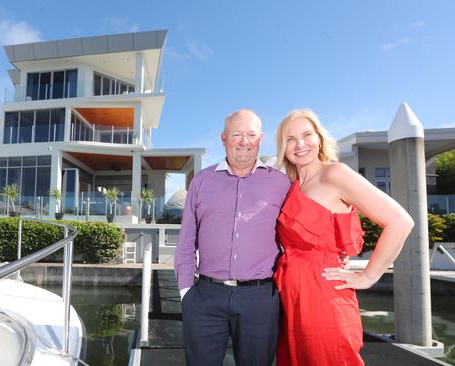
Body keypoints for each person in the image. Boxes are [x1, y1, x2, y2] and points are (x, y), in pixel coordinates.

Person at [273, 109, 414, 366]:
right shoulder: (292, 184)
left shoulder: (335, 174)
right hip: (292, 298)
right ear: (283, 147)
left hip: (324, 296)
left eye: (307, 134)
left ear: (319, 138)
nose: (300, 144)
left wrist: (368, 276)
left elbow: (400, 221)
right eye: (290, 139)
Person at [174, 109, 291, 366]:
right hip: (204, 296)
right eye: (236, 134)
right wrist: (186, 292)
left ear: (260, 139)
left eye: (250, 134)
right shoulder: (202, 181)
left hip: (260, 300)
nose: (243, 141)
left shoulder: (281, 183)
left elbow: (295, 236)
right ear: (223, 138)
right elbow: (186, 240)